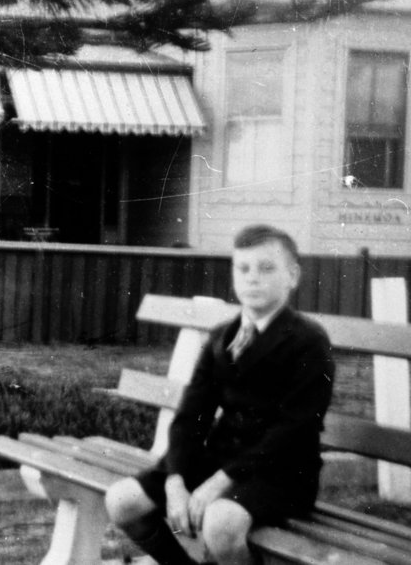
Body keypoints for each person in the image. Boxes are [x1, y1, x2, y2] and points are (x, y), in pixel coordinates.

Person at [105, 225, 335, 565]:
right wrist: (175, 480)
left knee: (220, 525)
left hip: (282, 472)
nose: (252, 279)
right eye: (243, 269)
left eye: (266, 268)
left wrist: (218, 483)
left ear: (293, 276)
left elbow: (295, 428)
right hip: (221, 458)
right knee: (121, 501)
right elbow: (189, 417)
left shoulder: (308, 342)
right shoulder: (221, 338)